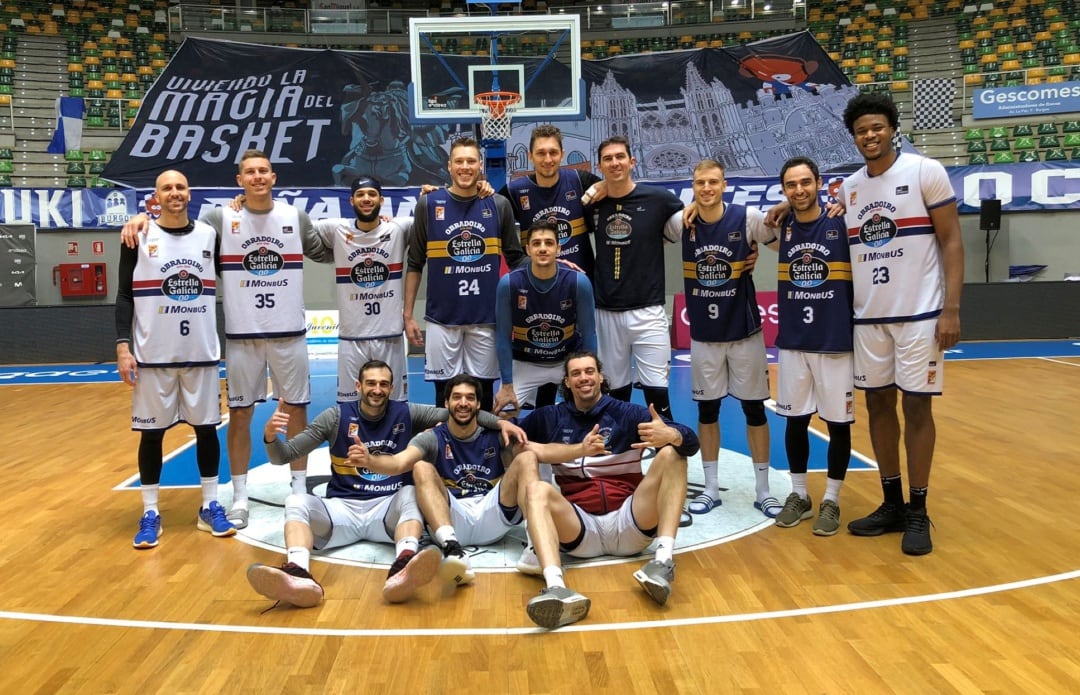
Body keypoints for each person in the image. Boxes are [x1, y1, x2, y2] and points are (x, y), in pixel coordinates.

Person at [122, 150, 332, 530]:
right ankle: (238, 497)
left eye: (263, 171)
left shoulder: (294, 216)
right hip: (241, 336)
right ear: (239, 181)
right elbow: (177, 234)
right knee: (240, 414)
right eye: (249, 172)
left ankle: (299, 492)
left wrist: (371, 226)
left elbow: (327, 248)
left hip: (289, 334)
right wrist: (141, 220)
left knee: (297, 411)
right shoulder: (219, 219)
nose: (256, 177)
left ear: (274, 177)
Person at [246, 360, 525, 607]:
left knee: (410, 492)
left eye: (383, 384)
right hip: (343, 508)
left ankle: (402, 566)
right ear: (358, 385)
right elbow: (284, 456)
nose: (377, 389)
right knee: (295, 501)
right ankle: (298, 574)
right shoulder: (335, 417)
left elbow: (459, 413)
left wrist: (499, 424)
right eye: (371, 383)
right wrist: (270, 437)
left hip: (387, 512)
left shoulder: (406, 413)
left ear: (392, 388)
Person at [837, 93, 963, 555]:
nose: (870, 136)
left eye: (877, 128)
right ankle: (890, 503)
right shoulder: (849, 189)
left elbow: (951, 242)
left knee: (917, 409)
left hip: (920, 316)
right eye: (861, 131)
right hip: (869, 317)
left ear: (892, 128)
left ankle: (918, 509)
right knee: (877, 409)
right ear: (853, 138)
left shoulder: (925, 171)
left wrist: (950, 309)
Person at [515, 351, 700, 629]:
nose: (584, 378)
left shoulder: (627, 414)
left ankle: (662, 563)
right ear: (566, 382)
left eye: (589, 371)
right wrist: (500, 421)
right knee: (537, 490)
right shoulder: (549, 418)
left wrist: (672, 435)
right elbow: (508, 437)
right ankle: (557, 587)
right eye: (576, 373)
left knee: (673, 455)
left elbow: (691, 441)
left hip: (629, 522)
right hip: (579, 529)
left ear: (601, 377)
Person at [116, 169, 235, 548]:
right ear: (156, 196)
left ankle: (210, 506)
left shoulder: (208, 235)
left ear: (189, 193)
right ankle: (150, 511)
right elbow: (123, 296)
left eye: (181, 187)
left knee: (206, 431)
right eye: (167, 188)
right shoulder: (138, 236)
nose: (174, 193)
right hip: (153, 356)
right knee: (152, 435)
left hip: (200, 354)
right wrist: (122, 346)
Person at [350, 374, 532, 588]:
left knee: (527, 457)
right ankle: (452, 549)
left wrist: (579, 449)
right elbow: (399, 463)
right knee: (420, 466)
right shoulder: (431, 437)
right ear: (447, 403)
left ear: (479, 404)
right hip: (452, 517)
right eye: (457, 397)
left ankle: (535, 546)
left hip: (493, 514)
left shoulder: (498, 434)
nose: (463, 403)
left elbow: (540, 452)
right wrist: (370, 460)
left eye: (470, 398)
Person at [680, 159, 781, 519]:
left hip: (745, 331)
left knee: (754, 409)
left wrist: (757, 252)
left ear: (724, 185)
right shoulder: (683, 223)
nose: (706, 188)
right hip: (705, 336)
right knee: (708, 411)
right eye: (699, 183)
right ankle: (710, 489)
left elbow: (781, 236)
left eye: (712, 182)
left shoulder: (747, 218)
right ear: (693, 187)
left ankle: (764, 491)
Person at [403, 136, 526, 412]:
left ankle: (480, 452)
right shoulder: (428, 204)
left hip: (485, 318)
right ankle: (445, 453)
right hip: (441, 318)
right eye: (459, 161)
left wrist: (556, 271)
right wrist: (408, 314)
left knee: (479, 395)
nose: (465, 167)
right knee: (443, 398)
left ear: (480, 165)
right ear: (449, 166)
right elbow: (414, 262)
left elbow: (516, 259)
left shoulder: (498, 205)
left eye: (471, 161)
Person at [769, 157, 855, 536]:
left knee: (838, 424)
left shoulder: (841, 221)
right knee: (795, 420)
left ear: (819, 182)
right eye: (791, 185)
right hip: (793, 343)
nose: (799, 190)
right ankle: (800, 494)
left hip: (834, 341)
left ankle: (832, 499)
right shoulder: (781, 226)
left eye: (806, 183)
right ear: (784, 190)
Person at [585, 135, 684, 419]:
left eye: (620, 157)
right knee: (614, 391)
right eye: (608, 158)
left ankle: (666, 446)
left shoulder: (660, 199)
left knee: (657, 390)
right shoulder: (592, 204)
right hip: (606, 310)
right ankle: (620, 447)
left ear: (632, 161)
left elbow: (693, 225)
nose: (614, 163)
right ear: (600, 165)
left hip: (649, 309)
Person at [312, 176, 412, 402]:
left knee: (396, 404)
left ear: (382, 200)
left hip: (390, 337)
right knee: (348, 406)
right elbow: (297, 227)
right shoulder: (336, 229)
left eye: (372, 194)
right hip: (351, 337)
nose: (366, 199)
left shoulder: (398, 228)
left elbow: (432, 217)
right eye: (360, 195)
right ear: (351, 201)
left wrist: (430, 192)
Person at [493, 220, 597, 416]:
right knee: (502, 414)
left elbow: (589, 333)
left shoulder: (578, 282)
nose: (543, 248)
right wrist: (507, 384)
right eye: (537, 243)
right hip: (525, 363)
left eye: (549, 243)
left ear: (558, 248)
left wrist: (592, 373)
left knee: (591, 409)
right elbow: (503, 336)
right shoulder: (509, 284)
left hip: (565, 362)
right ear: (528, 249)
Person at [499, 124, 604, 278]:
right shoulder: (513, 191)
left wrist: (606, 184)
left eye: (553, 152)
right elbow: (488, 209)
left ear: (562, 154)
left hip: (580, 281)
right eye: (541, 153)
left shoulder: (581, 181)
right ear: (530, 155)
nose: (547, 159)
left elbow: (615, 191)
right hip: (534, 283)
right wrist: (482, 188)